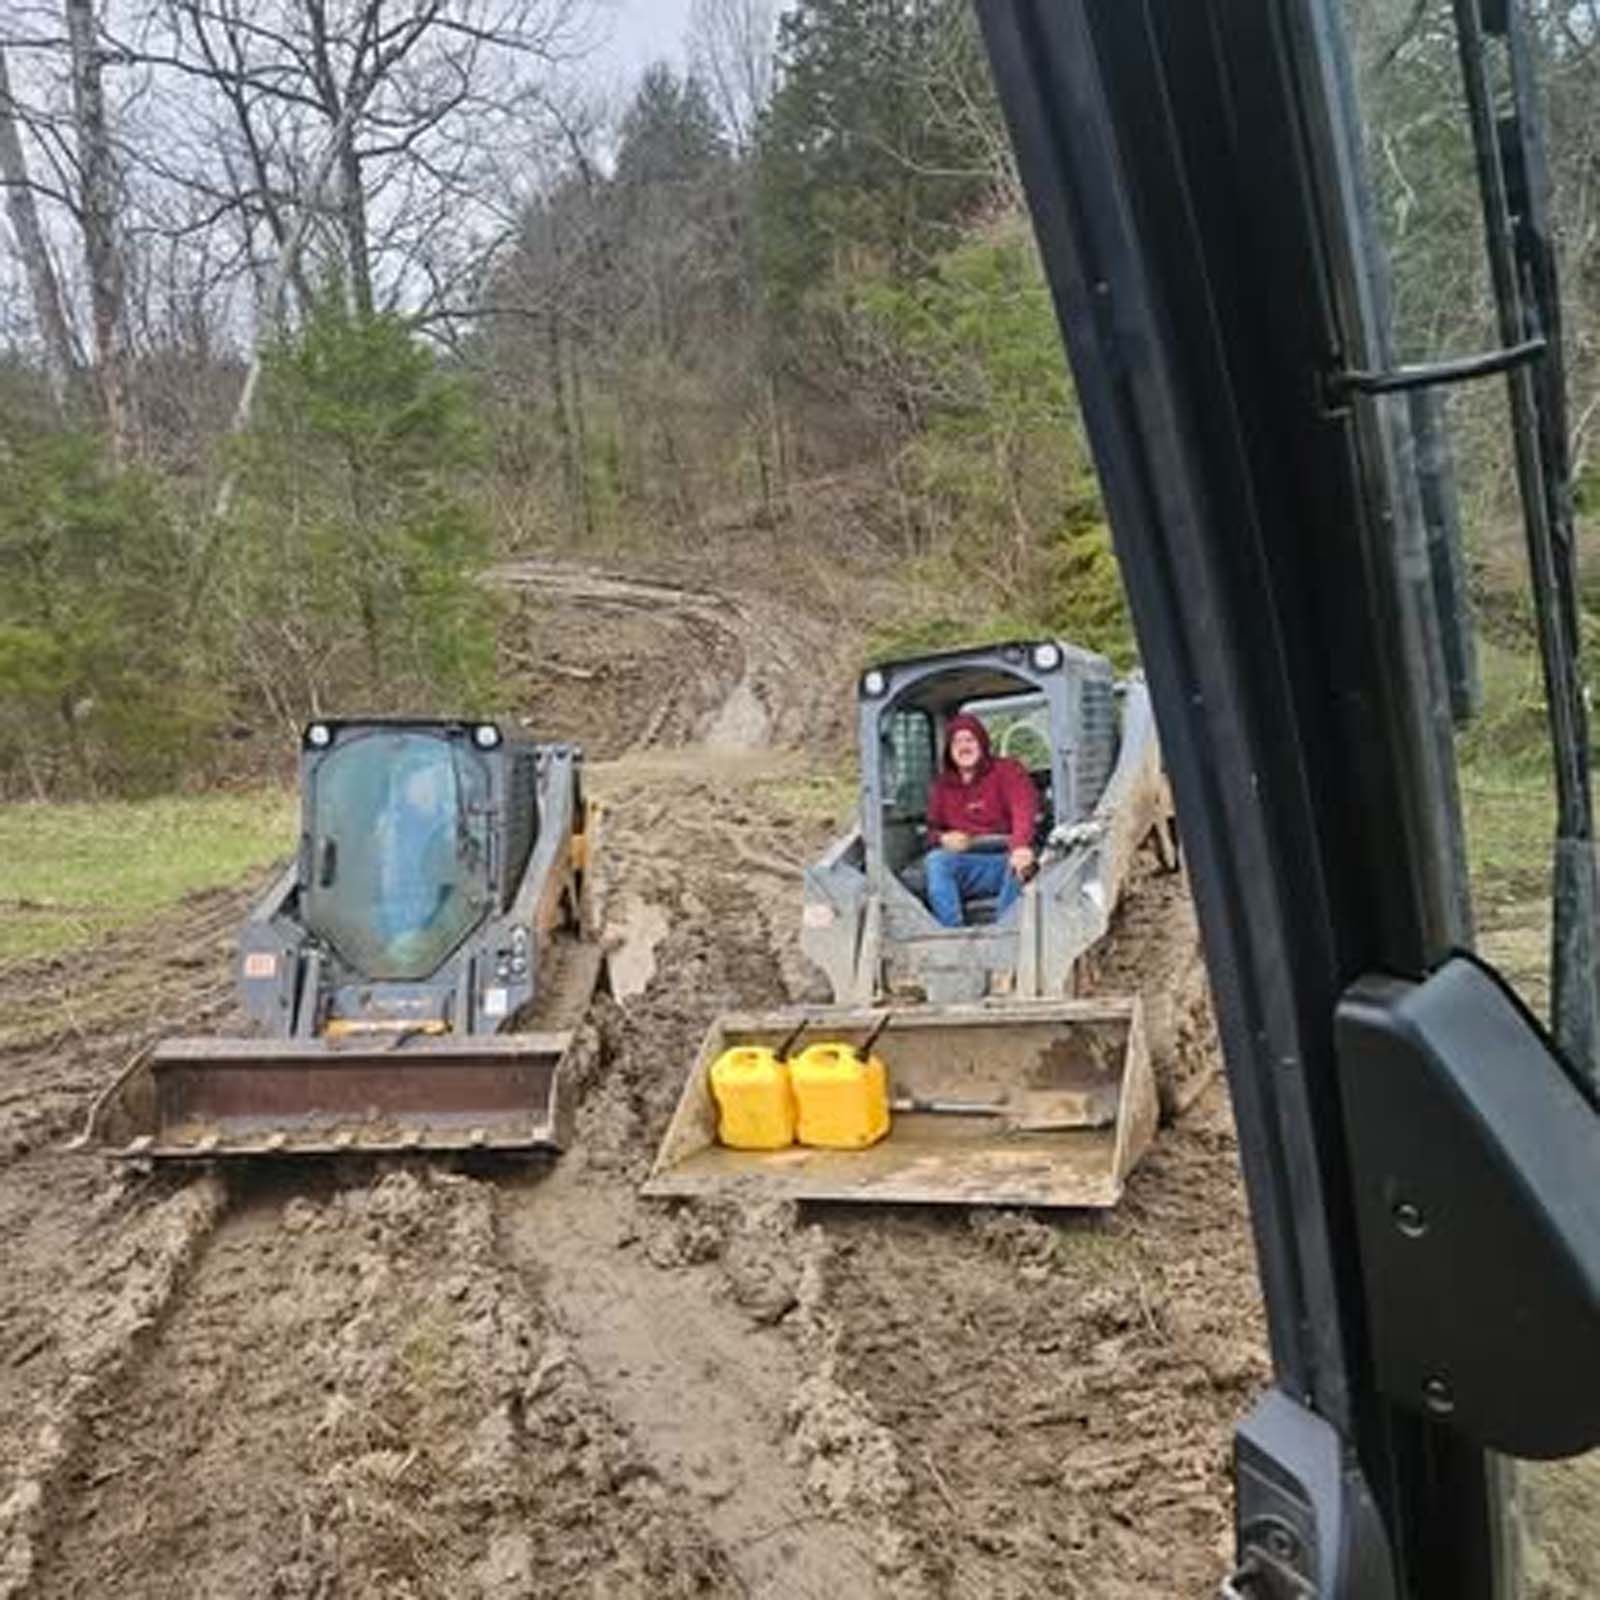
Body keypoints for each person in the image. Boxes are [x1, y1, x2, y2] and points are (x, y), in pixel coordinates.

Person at [923, 712, 1039, 927]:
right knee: (936, 861)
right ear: (949, 750)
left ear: (982, 743)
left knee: (1022, 865)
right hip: (970, 864)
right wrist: (942, 839)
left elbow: (1023, 810)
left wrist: (1020, 846)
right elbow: (929, 831)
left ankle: (1005, 932)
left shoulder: (1007, 771)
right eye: (957, 742)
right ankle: (952, 934)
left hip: (1005, 859)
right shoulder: (942, 787)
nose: (964, 747)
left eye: (970, 740)